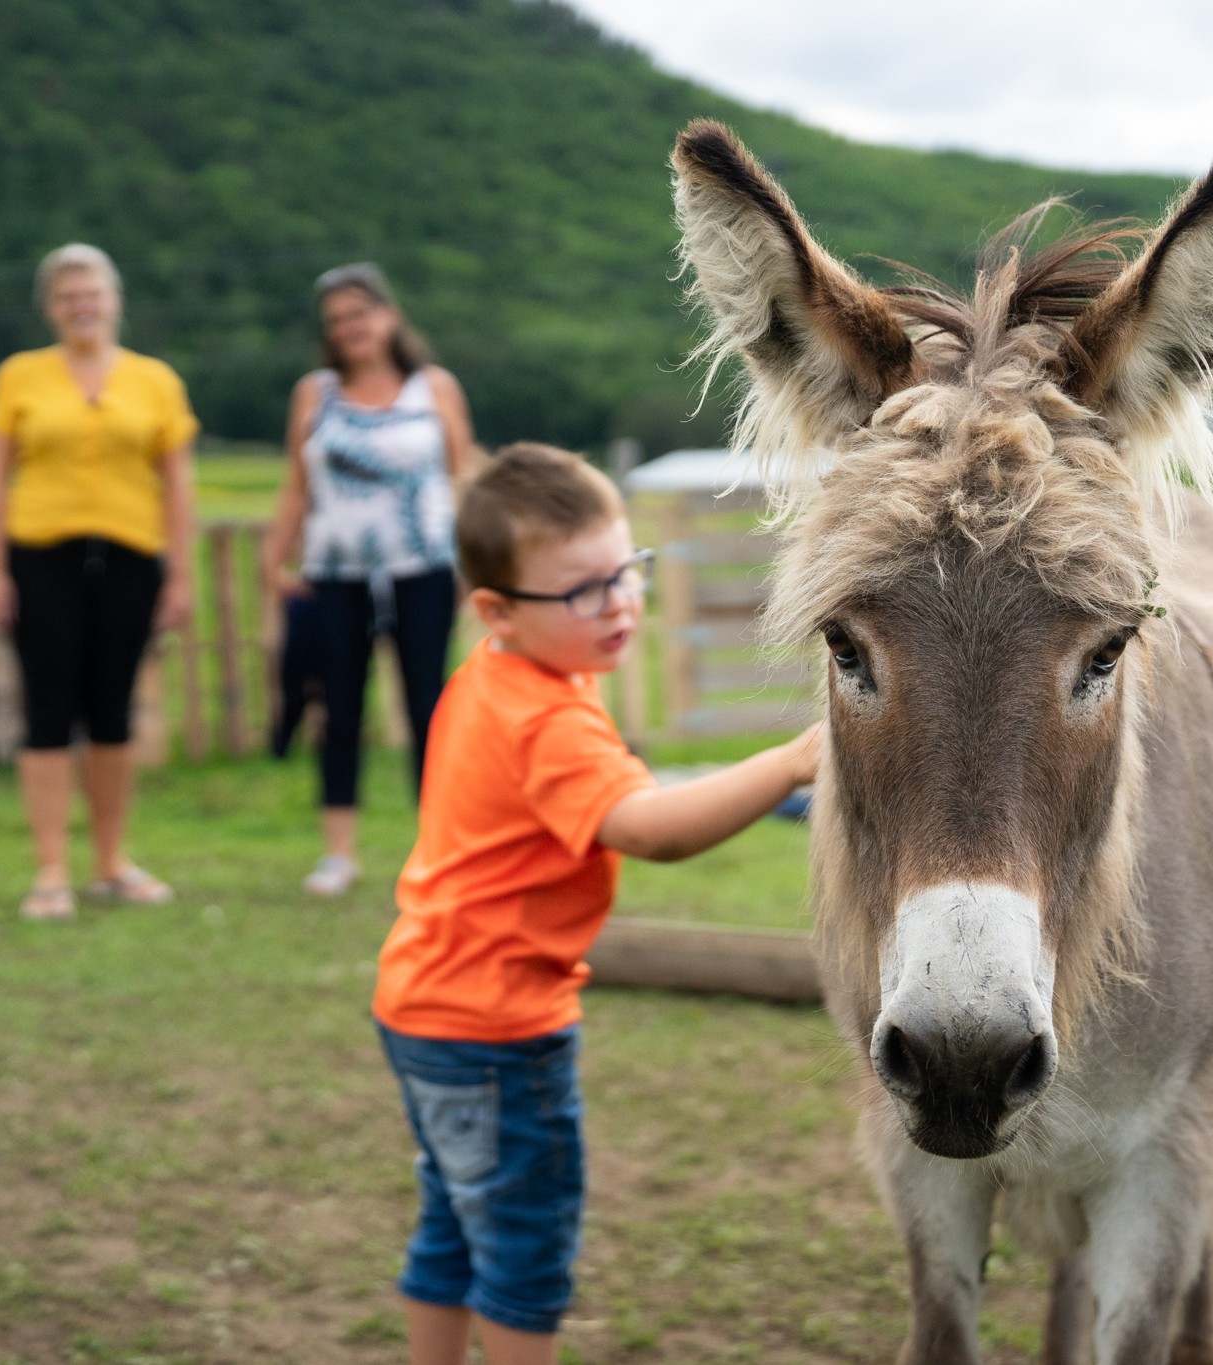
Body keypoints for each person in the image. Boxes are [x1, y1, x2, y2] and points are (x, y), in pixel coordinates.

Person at [372, 444, 819, 1365]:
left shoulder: (494, 679)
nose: (619, 600)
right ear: (496, 609)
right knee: (523, 1253)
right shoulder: (549, 718)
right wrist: (790, 761)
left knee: (456, 1223)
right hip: (497, 1029)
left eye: (627, 571)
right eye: (583, 588)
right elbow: (649, 827)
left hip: (425, 1005)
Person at [0, 243, 199, 921]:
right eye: (69, 296)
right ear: (51, 307)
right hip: (42, 559)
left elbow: (178, 483)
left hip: (131, 558)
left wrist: (181, 575)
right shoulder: (19, 377)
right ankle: (50, 869)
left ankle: (110, 860)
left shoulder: (156, 381)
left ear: (115, 300)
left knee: (113, 709)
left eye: (93, 294)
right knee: (48, 708)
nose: (83, 307)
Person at [261, 263, 479, 896]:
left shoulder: (432, 388)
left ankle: (438, 846)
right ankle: (339, 852)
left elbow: (460, 481)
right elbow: (297, 484)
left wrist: (472, 562)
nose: (349, 328)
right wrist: (273, 558)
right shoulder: (315, 393)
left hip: (423, 568)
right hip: (335, 571)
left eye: (358, 313)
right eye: (335, 321)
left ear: (389, 315)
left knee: (426, 704)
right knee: (338, 704)